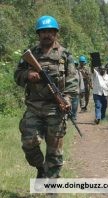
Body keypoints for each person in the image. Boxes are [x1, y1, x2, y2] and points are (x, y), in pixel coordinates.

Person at [14, 15, 78, 178]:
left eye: (50, 31)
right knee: (29, 143)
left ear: (55, 33)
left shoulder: (65, 55)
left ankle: (52, 186)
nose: (47, 34)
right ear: (38, 34)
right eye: (43, 32)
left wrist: (67, 101)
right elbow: (17, 75)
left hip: (55, 109)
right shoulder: (30, 54)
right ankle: (41, 168)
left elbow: (72, 82)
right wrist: (28, 75)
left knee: (55, 152)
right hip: (34, 108)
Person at [91, 59, 108, 124]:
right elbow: (92, 69)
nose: (102, 70)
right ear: (99, 70)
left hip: (105, 94)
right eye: (101, 69)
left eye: (103, 69)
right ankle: (98, 118)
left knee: (104, 106)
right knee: (98, 105)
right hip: (97, 93)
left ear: (105, 70)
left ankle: (102, 117)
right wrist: (92, 63)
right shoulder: (96, 74)